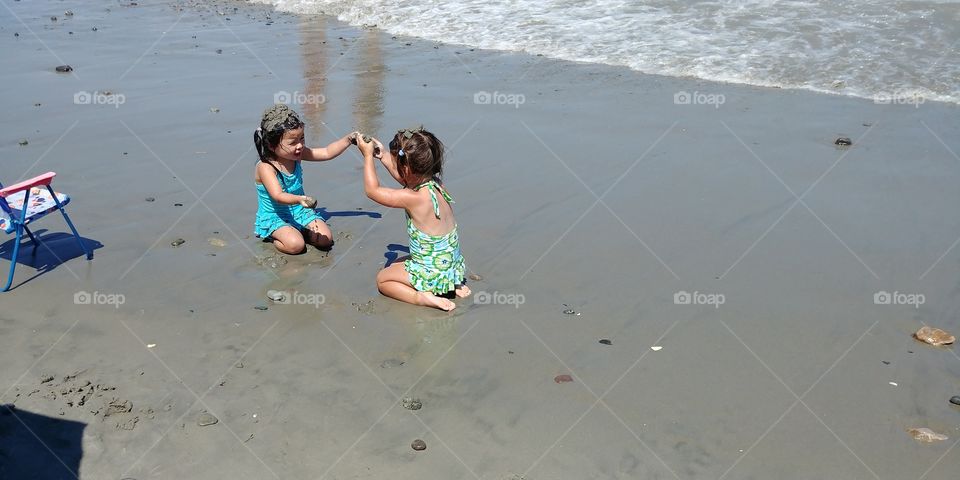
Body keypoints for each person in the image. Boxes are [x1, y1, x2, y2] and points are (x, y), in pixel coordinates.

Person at [358, 126, 470, 311]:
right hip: (450, 265)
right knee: (397, 263)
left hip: (431, 272)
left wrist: (367, 156)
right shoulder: (436, 184)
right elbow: (407, 179)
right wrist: (384, 155)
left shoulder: (413, 198)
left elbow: (373, 191)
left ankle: (422, 297)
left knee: (383, 279)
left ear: (406, 168)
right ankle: (453, 284)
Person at [253, 104, 357, 253]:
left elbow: (327, 152)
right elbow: (278, 195)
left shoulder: (297, 155)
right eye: (292, 142)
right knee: (296, 246)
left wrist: (348, 140)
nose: (300, 145)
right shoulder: (266, 167)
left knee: (325, 240)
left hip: (300, 211)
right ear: (271, 145)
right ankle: (276, 236)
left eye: (302, 138)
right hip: (276, 216)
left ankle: (300, 230)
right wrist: (299, 199)